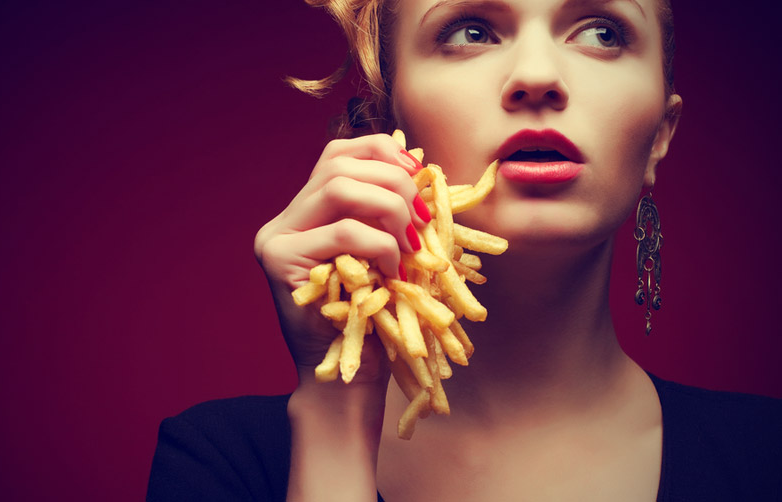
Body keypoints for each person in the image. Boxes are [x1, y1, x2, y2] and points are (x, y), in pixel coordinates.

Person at [148, 0, 782, 500]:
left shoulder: (765, 461)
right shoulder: (218, 464)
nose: (537, 76)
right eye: (472, 31)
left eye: (601, 32)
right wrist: (335, 415)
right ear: (381, 121)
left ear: (660, 136)